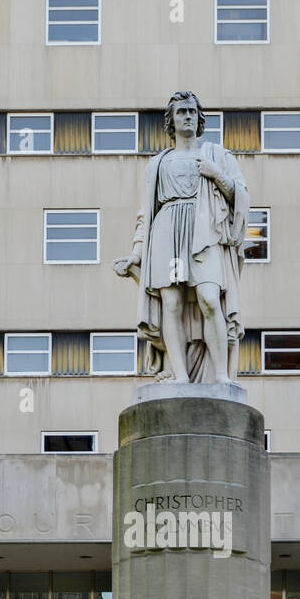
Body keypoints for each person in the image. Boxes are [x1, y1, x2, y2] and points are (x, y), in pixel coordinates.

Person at [114, 90, 249, 384]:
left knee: (210, 298)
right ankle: (181, 376)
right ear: (171, 121)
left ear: (199, 118)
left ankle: (222, 375)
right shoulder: (158, 163)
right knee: (171, 305)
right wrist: (136, 253)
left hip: (205, 233)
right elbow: (146, 214)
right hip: (167, 230)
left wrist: (217, 175)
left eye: (191, 111)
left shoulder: (219, 156)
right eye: (181, 112)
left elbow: (242, 196)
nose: (187, 116)